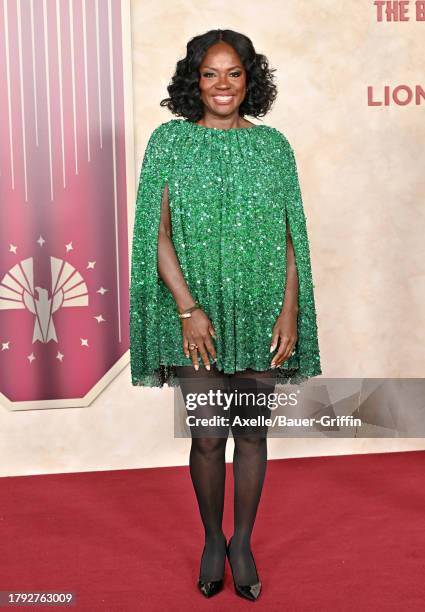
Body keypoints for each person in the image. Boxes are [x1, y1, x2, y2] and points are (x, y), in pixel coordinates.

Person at [130, 29, 322, 601]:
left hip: (262, 307)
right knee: (210, 435)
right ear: (194, 79)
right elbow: (155, 234)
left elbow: (293, 240)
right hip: (195, 313)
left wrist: (289, 312)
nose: (222, 85)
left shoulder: (273, 147)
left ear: (250, 79)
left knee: (252, 433)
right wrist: (188, 309)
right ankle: (214, 538)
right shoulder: (169, 142)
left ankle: (244, 542)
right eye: (210, 73)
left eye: (233, 73)